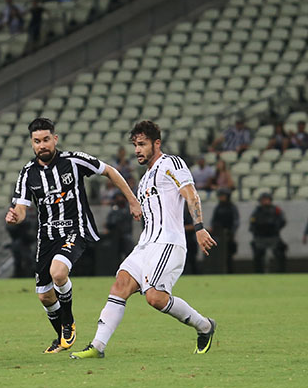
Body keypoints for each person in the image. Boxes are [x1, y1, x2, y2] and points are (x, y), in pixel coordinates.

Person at [70, 120, 217, 360]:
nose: (137, 150)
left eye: (142, 144)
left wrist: (199, 227)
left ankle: (204, 326)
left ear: (156, 143)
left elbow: (191, 194)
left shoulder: (171, 163)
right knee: (120, 285)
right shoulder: (146, 178)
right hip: (146, 244)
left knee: (155, 298)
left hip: (168, 243)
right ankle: (98, 345)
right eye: (135, 145)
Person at [6, 117, 141, 354]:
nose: (42, 145)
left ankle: (68, 324)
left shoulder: (74, 161)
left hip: (75, 230)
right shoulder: (28, 173)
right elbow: (21, 209)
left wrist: (132, 200)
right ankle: (61, 337)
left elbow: (109, 171)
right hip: (47, 237)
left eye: (46, 139)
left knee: (58, 273)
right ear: (31, 143)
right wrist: (15, 216)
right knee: (45, 297)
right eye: (37, 141)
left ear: (55, 139)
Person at [249, 191, 286, 273]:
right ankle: (259, 272)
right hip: (260, 237)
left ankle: (281, 272)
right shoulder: (257, 211)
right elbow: (252, 223)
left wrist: (276, 228)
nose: (265, 201)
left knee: (279, 253)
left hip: (273, 236)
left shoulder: (276, 210)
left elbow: (282, 220)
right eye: (263, 200)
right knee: (258, 255)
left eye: (267, 199)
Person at [210, 187, 238, 273]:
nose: (221, 198)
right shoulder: (218, 207)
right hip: (219, 234)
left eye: (222, 196)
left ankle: (230, 272)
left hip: (228, 234)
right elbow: (214, 220)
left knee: (229, 255)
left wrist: (231, 232)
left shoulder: (232, 207)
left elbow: (235, 221)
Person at [104, 191, 134, 266]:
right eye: (117, 198)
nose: (119, 199)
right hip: (115, 236)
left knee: (129, 254)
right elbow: (110, 222)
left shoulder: (128, 209)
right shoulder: (113, 210)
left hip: (126, 234)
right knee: (115, 256)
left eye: (121, 197)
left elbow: (127, 218)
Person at [182, 207, 199, 275]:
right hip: (183, 239)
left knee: (192, 259)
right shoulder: (182, 211)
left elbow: (195, 225)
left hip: (191, 239)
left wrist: (184, 228)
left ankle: (195, 274)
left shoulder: (192, 212)